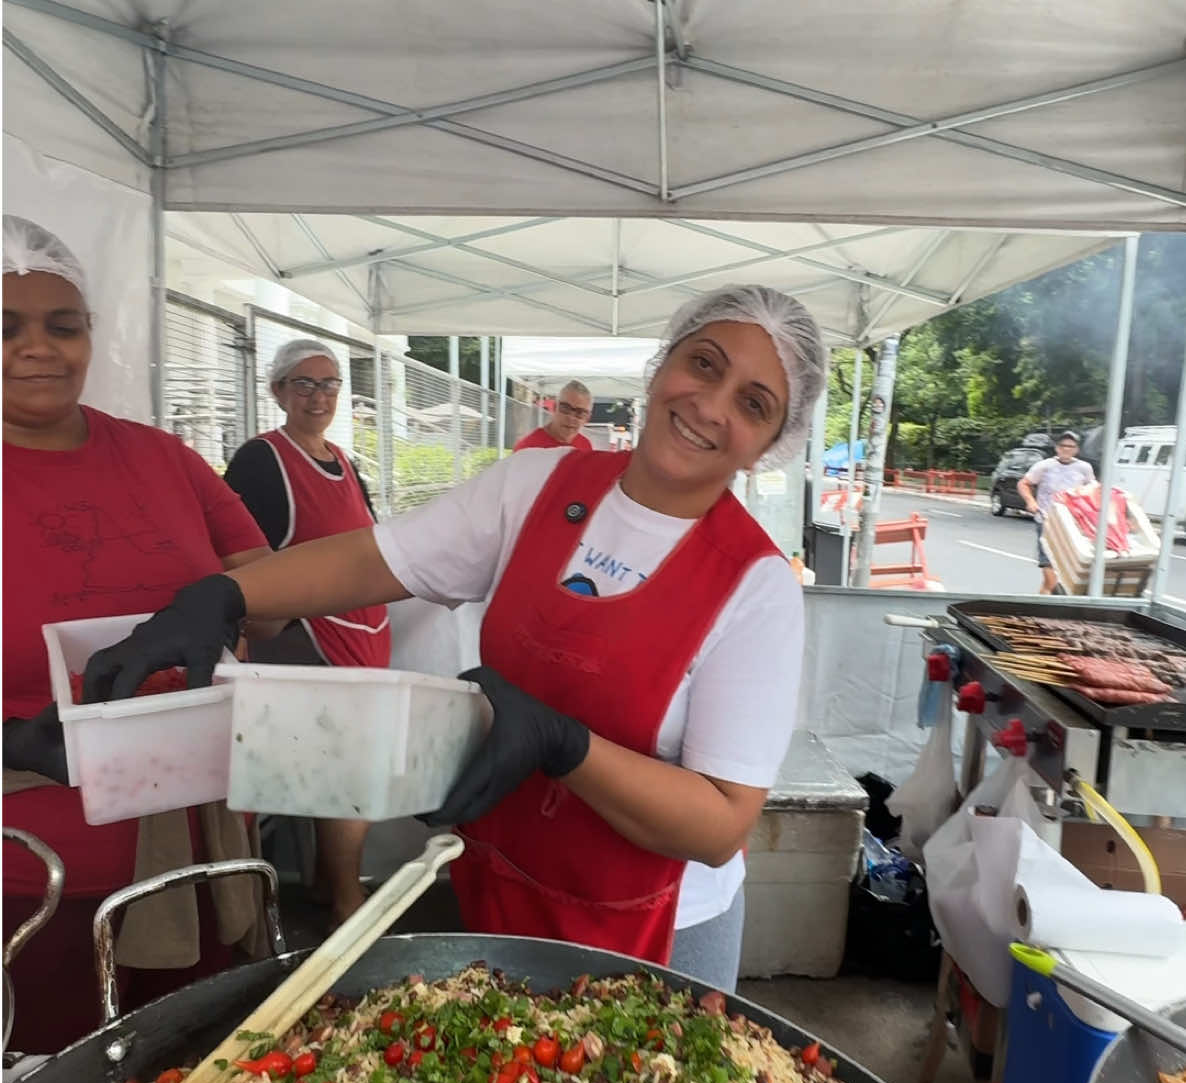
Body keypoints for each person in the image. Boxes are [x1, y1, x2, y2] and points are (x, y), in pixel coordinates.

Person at [82, 285, 826, 993]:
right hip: (499, 880)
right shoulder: (536, 484)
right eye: (703, 363)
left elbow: (722, 822)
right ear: (663, 360)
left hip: (657, 928)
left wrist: (567, 747)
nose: (710, 405)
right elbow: (379, 557)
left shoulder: (754, 586)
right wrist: (229, 593)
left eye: (753, 405)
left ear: (769, 445)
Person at [1, 215, 273, 1054]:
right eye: (6, 327)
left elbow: (270, 591)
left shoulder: (160, 459)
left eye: (62, 324)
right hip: (34, 889)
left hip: (200, 863)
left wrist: (225, 606)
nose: (38, 348)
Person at [224, 338, 390, 925]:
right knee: (350, 775)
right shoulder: (262, 460)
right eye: (304, 384)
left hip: (361, 636)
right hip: (307, 643)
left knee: (342, 770)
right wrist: (282, 615)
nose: (318, 397)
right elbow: (235, 556)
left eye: (329, 385)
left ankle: (326, 885)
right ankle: (348, 905)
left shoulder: (344, 461)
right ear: (277, 392)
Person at [1017, 430, 1096, 594]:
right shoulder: (1044, 466)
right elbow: (1024, 483)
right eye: (1063, 446)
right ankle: (1041, 611)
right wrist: (1031, 501)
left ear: (1076, 449)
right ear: (1057, 448)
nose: (1066, 449)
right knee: (1051, 580)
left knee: (1068, 581)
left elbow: (1093, 490)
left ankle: (1042, 608)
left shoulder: (1084, 468)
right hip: (1047, 523)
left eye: (1071, 446)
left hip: (1073, 526)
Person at [513, 380, 594, 452]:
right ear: (555, 408)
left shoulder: (585, 446)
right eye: (565, 408)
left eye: (579, 413)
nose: (571, 417)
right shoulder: (527, 448)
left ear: (587, 418)